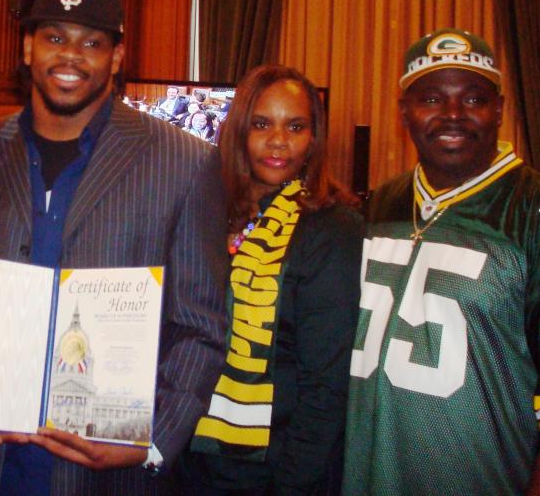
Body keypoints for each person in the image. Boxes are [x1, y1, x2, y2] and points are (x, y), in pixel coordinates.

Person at [0, 0, 228, 495]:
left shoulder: (185, 163)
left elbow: (203, 326)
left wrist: (153, 441)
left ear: (116, 57)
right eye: (54, 38)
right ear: (28, 47)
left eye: (91, 42)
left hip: (106, 476)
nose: (70, 56)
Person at [343, 28, 540, 495]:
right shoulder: (383, 203)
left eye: (473, 99)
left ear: (499, 110)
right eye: (431, 98)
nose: (453, 114)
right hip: (367, 473)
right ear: (404, 113)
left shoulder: (528, 207)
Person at [183, 65, 364, 494]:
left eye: (295, 126)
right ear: (240, 130)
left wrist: (291, 486)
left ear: (313, 139)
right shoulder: (203, 212)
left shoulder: (333, 229)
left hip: (274, 470)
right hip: (188, 457)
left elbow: (327, 387)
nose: (279, 140)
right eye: (262, 124)